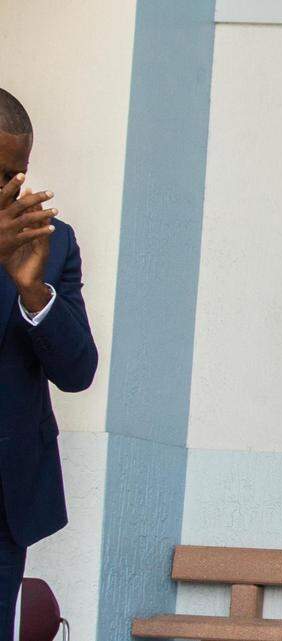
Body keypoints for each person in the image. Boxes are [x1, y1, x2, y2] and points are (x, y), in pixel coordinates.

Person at [0, 88, 98, 641]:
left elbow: (79, 371)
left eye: (16, 174)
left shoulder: (51, 242)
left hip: (7, 498)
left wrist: (34, 290)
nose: (9, 190)